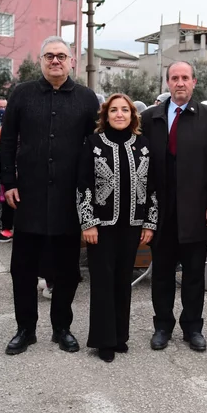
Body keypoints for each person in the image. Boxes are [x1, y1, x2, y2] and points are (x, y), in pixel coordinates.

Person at [0, 37, 99, 355]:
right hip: (28, 197)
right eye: (49, 56)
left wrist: (90, 193)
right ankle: (25, 329)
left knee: (67, 270)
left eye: (61, 56)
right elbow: (8, 140)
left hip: (69, 199)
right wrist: (9, 181)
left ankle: (62, 328)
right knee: (23, 270)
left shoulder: (86, 98)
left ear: (71, 62)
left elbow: (94, 147)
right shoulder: (22, 94)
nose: (55, 61)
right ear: (41, 60)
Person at [140, 61, 207, 352]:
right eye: (174, 78)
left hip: (196, 210)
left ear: (194, 82)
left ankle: (193, 328)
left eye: (185, 78)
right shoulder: (150, 117)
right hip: (161, 211)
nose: (180, 83)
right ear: (167, 82)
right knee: (162, 274)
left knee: (194, 275)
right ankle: (162, 326)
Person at [77, 93, 158, 362]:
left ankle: (120, 336)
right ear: (106, 115)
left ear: (133, 115)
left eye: (125, 110)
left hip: (133, 225)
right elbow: (83, 184)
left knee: (123, 281)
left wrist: (150, 222)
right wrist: (88, 222)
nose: (119, 114)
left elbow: (152, 186)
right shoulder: (94, 143)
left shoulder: (143, 145)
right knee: (103, 281)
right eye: (114, 110)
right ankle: (104, 340)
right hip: (101, 227)